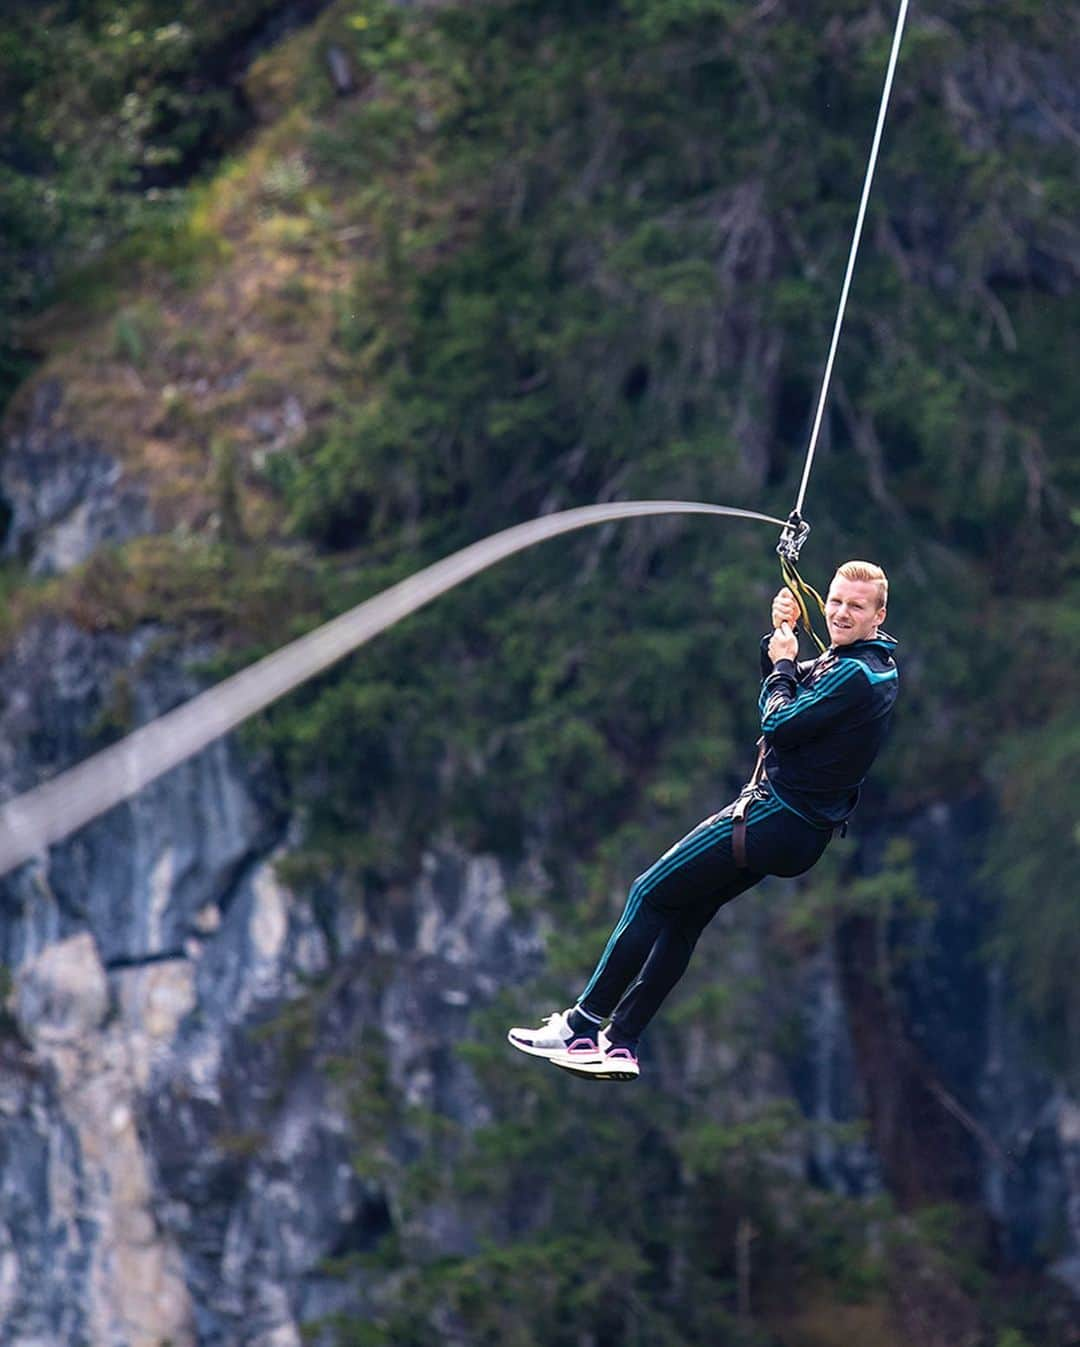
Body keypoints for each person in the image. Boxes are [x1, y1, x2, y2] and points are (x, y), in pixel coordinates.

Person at [507, 560, 898, 1081]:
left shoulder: (854, 673)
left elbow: (779, 722)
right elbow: (801, 696)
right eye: (834, 601)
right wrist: (777, 645)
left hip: (771, 819)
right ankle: (620, 1042)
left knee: (648, 891)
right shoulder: (868, 664)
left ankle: (582, 1024)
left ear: (879, 613)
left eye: (855, 606)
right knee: (683, 914)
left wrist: (782, 664)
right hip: (798, 835)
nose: (840, 613)